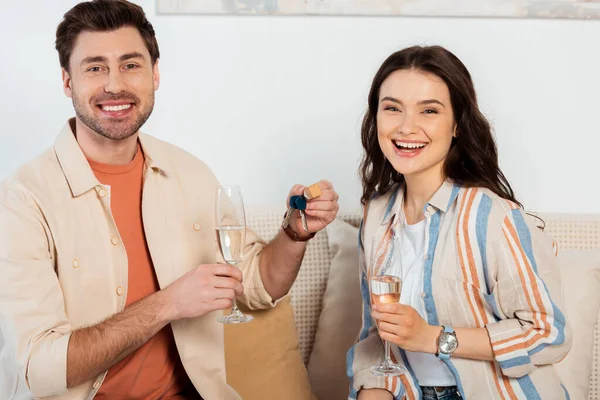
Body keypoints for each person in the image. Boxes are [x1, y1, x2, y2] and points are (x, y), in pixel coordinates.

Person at [0, 1, 339, 399]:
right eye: (94, 67)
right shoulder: (22, 201)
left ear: (154, 74)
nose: (114, 84)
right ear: (67, 82)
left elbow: (257, 285)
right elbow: (41, 369)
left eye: (130, 64)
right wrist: (168, 304)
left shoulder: (190, 174)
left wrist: (294, 233)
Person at [346, 45, 571, 400]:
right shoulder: (376, 215)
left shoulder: (493, 217)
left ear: (456, 125)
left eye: (429, 111)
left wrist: (435, 338)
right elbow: (377, 336)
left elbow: (548, 333)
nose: (406, 127)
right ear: (376, 119)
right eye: (392, 108)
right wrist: (376, 390)